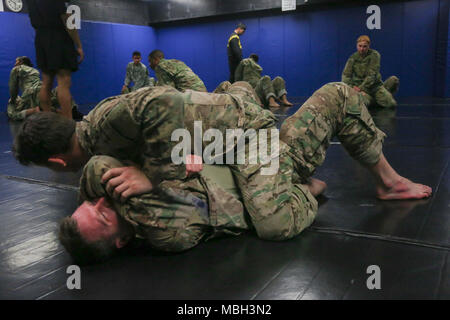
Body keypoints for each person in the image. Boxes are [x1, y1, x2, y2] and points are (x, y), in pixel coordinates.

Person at [58, 81, 431, 265]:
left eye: (92, 202)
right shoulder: (164, 230)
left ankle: (388, 179)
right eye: (103, 215)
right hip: (269, 163)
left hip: (226, 145)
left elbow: (95, 168)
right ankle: (306, 187)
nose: (103, 200)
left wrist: (154, 168)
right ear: (121, 242)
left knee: (234, 102)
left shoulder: (105, 186)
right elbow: (173, 205)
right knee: (335, 98)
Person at [25, 0, 84, 119]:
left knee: (46, 82)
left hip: (41, 38)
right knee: (64, 81)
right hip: (59, 36)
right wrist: (79, 46)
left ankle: (47, 121)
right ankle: (68, 122)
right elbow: (67, 20)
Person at [7, 56, 83, 121]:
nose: (14, 64)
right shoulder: (34, 70)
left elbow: (13, 87)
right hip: (44, 91)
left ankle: (37, 110)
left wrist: (12, 100)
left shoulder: (16, 69)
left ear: (21, 62)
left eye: (16, 61)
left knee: (13, 114)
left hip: (31, 95)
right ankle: (73, 110)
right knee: (58, 90)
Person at [342, 35, 399, 108]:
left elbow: (372, 75)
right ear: (357, 46)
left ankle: (382, 95)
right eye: (360, 46)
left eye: (364, 46)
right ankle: (375, 100)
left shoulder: (374, 55)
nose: (362, 49)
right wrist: (353, 88)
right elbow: (345, 76)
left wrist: (361, 88)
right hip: (359, 89)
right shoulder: (352, 58)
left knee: (391, 104)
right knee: (364, 103)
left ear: (368, 46)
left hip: (374, 87)